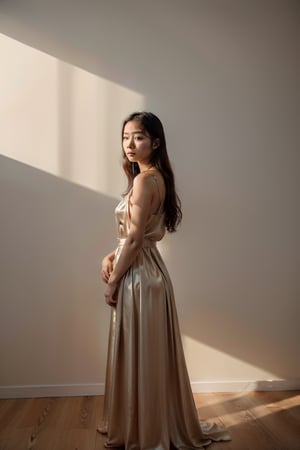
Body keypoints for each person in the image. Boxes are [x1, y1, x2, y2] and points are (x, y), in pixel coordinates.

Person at [98, 112, 231, 449]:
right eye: (125, 136)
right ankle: (144, 422)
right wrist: (109, 256)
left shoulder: (145, 181)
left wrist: (113, 281)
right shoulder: (154, 178)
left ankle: (143, 427)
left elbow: (133, 239)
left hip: (139, 277)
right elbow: (132, 237)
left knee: (140, 351)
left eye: (139, 137)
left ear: (155, 142)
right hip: (148, 270)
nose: (130, 144)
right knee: (148, 354)